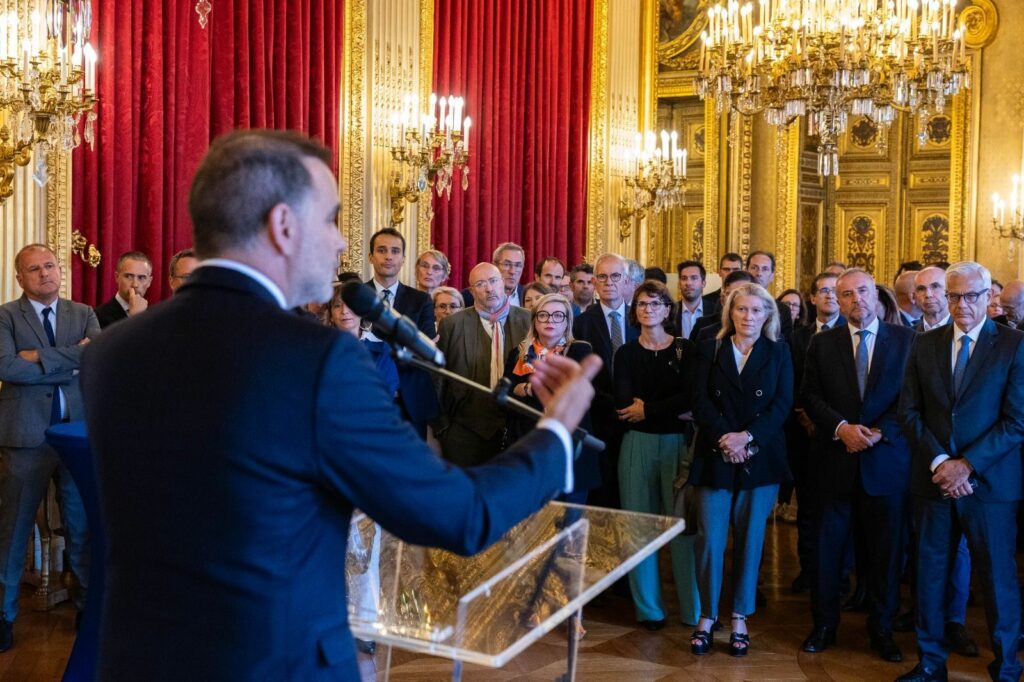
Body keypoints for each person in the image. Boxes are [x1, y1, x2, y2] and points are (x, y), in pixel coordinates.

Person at [81, 129, 600, 681]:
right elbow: (460, 516)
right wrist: (556, 432)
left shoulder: (111, 353)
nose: (338, 244)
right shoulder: (319, 362)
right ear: (283, 225)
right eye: (329, 220)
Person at [897, 261, 1024, 682]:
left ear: (988, 296)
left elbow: (1017, 421)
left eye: (970, 296)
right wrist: (941, 463)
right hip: (933, 482)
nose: (961, 304)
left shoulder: (1012, 345)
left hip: (989, 485)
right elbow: (910, 412)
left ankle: (1005, 666)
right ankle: (931, 663)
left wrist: (966, 465)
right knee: (929, 577)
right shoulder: (925, 344)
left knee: (997, 579)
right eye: (953, 296)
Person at [799, 269, 914, 663]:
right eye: (845, 295)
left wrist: (881, 431)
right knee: (827, 554)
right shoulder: (822, 343)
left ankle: (882, 629)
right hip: (835, 464)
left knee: (885, 555)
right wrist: (842, 427)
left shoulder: (906, 341)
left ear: (877, 296)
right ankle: (824, 625)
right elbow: (810, 395)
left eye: (861, 292)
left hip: (887, 466)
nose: (855, 301)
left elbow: (913, 401)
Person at [0, 243, 99, 652]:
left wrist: (37, 359)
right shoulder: (5, 315)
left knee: (81, 525)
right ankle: (3, 615)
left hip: (77, 435)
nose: (44, 274)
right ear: (19, 278)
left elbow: (96, 361)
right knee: (12, 529)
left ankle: (87, 606)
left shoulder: (84, 313)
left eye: (50, 266)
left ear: (61, 270)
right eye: (33, 269)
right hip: (26, 437)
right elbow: (6, 367)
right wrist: (71, 360)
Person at [689, 282, 792, 657]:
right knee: (709, 540)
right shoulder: (708, 348)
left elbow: (782, 404)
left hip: (759, 457)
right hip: (715, 454)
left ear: (768, 316)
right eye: (741, 309)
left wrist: (746, 439)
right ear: (730, 312)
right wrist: (725, 439)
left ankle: (739, 616)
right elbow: (698, 399)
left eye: (756, 311)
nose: (748, 317)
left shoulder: (779, 352)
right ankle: (706, 615)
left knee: (751, 541)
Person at [614, 280, 699, 629]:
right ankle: (649, 609)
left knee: (683, 527)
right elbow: (622, 404)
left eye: (654, 303)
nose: (647, 309)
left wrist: (647, 409)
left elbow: (691, 399)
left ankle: (694, 610)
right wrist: (667, 409)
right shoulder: (626, 354)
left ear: (668, 309)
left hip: (679, 445)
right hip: (636, 445)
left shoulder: (685, 349)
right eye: (641, 304)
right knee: (639, 527)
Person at [436, 262, 533, 466]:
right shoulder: (452, 325)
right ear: (471, 291)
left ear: (503, 282)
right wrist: (441, 427)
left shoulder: (529, 321)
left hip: (518, 429)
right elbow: (438, 378)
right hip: (464, 432)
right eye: (480, 284)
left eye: (493, 281)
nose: (489, 288)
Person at [504, 293, 596, 504]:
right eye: (543, 315)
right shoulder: (518, 354)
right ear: (534, 321)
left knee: (568, 527)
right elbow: (506, 398)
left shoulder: (580, 350)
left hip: (569, 449)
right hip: (527, 446)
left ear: (567, 322)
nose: (549, 321)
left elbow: (569, 393)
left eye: (557, 316)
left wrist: (526, 388)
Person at [786, 273, 843, 594]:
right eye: (823, 291)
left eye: (836, 291)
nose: (830, 296)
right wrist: (804, 417)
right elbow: (794, 382)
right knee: (807, 506)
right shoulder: (797, 337)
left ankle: (839, 571)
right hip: (803, 435)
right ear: (812, 298)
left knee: (838, 508)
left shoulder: (851, 333)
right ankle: (807, 568)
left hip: (840, 435)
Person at [572, 253, 640, 509]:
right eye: (602, 276)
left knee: (632, 496)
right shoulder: (580, 324)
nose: (609, 282)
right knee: (603, 496)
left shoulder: (642, 318)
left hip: (638, 419)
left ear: (626, 281)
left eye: (615, 276)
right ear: (595, 283)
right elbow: (579, 374)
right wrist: (610, 403)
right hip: (598, 419)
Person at [365, 227, 435, 338]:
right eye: (381, 250)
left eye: (395, 251)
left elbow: (426, 346)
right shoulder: (357, 296)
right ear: (370, 257)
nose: (388, 257)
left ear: (403, 259)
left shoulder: (421, 301)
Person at [94, 250, 154, 328]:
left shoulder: (155, 315)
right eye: (129, 276)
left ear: (149, 282)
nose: (135, 284)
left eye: (141, 278)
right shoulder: (97, 316)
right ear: (117, 277)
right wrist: (136, 318)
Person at [690, 271, 754, 342]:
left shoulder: (763, 329)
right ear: (722, 299)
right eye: (730, 294)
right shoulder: (703, 326)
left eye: (742, 294)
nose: (735, 299)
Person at [745, 250, 793, 340]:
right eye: (754, 268)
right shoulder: (735, 304)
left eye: (765, 269)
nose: (759, 273)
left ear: (772, 276)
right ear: (746, 271)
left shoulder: (783, 311)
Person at [462, 242, 526, 308]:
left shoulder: (528, 295)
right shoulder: (468, 297)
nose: (512, 271)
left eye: (518, 265)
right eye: (507, 264)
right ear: (494, 266)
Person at [673, 260, 712, 340]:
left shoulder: (714, 311)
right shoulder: (670, 311)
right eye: (684, 278)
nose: (688, 283)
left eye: (694, 278)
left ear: (703, 283)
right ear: (679, 284)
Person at [913, 266, 950, 331]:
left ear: (949, 290)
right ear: (914, 295)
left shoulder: (962, 330)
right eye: (921, 289)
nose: (928, 295)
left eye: (935, 287)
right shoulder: (909, 336)